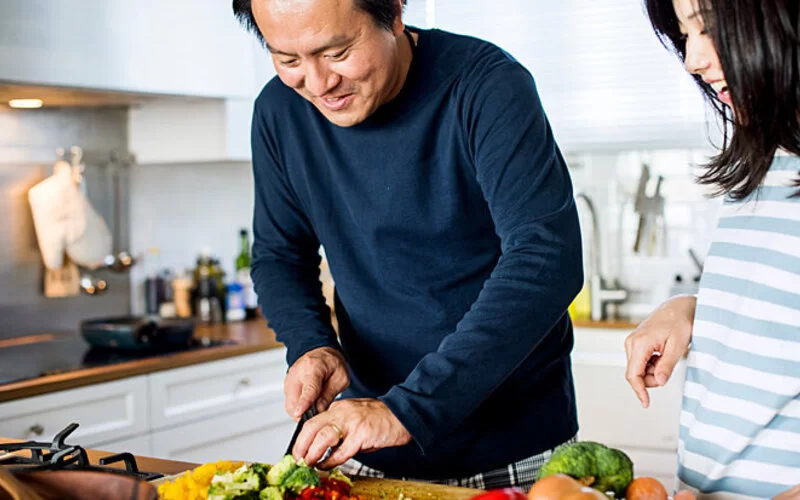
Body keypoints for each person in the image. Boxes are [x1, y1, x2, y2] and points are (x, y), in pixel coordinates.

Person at [232, 0, 584, 490]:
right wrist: (311, 344)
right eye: (288, 59)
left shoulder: (487, 85)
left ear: (394, 12)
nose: (316, 84)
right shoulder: (278, 111)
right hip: (363, 443)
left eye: (336, 52)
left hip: (511, 447)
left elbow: (547, 258)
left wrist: (406, 410)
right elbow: (279, 255)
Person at [624, 0, 800, 498]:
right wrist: (690, 312)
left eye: (709, 29)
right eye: (685, 34)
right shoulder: (767, 162)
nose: (692, 59)